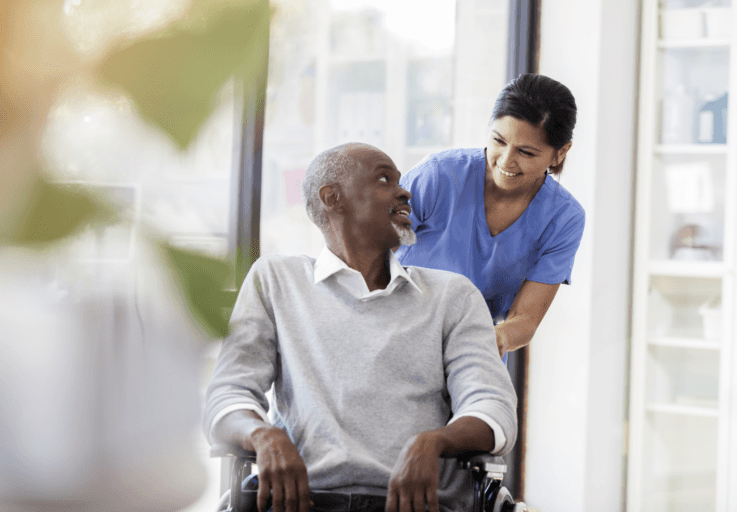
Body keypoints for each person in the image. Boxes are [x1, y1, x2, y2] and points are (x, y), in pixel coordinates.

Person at [204, 142, 517, 512]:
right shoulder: (276, 280)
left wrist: (433, 442)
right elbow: (227, 395)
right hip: (301, 503)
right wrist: (263, 435)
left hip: (417, 505)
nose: (405, 192)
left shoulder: (453, 296)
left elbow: (493, 407)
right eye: (385, 179)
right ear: (332, 197)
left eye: (401, 181)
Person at [395, 73, 585, 356]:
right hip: (395, 329)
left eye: (526, 152)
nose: (506, 161)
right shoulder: (439, 176)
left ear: (559, 154)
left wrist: (483, 340)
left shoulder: (563, 218)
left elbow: (525, 320)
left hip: (471, 349)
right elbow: (366, 254)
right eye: (498, 141)